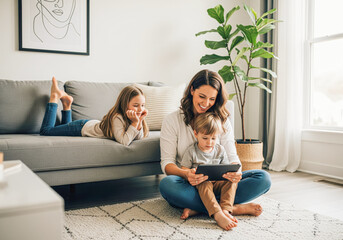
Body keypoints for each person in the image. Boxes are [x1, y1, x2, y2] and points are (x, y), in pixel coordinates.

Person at [159, 69, 271, 220]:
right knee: (167, 185)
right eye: (202, 96)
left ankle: (201, 208)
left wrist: (235, 172)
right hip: (191, 185)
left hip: (220, 184)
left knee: (263, 178)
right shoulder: (172, 120)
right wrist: (186, 174)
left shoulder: (222, 120)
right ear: (192, 90)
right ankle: (230, 208)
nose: (206, 104)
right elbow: (167, 163)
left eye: (212, 99)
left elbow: (232, 156)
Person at [40, 77, 148, 146]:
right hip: (81, 127)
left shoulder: (133, 117)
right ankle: (54, 97)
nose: (140, 109)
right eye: (136, 105)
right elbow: (124, 142)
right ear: (125, 104)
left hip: (89, 124)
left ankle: (66, 104)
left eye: (143, 105)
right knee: (46, 131)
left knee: (62, 130)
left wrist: (139, 121)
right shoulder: (117, 117)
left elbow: (138, 137)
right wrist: (135, 123)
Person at [180, 112, 239, 230]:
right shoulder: (191, 151)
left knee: (232, 181)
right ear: (196, 134)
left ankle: (226, 210)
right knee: (204, 182)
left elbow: (226, 167)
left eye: (213, 138)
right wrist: (190, 171)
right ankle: (217, 214)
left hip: (217, 183)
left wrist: (232, 174)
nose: (209, 142)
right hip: (200, 184)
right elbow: (184, 169)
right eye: (205, 138)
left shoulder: (220, 150)